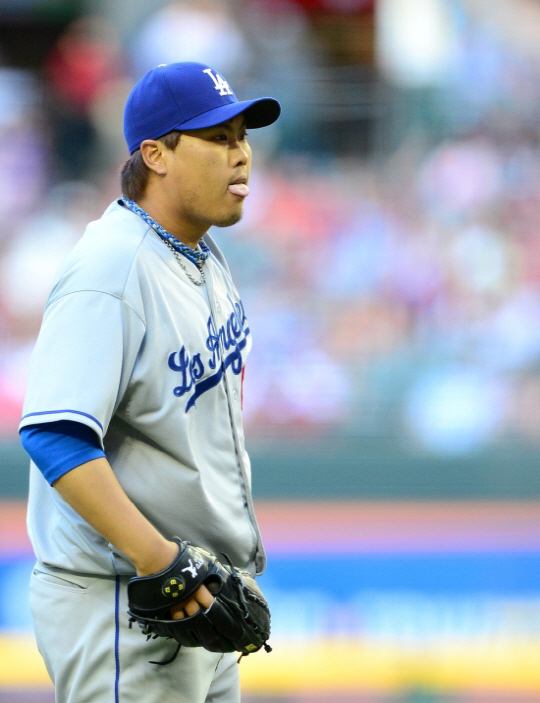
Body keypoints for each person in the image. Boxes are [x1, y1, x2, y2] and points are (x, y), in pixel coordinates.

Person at [19, 62, 281, 703]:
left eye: (242, 137)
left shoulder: (200, 251)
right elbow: (55, 436)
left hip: (192, 594)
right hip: (127, 603)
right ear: (156, 154)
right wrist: (160, 561)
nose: (241, 154)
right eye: (216, 138)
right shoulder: (112, 267)